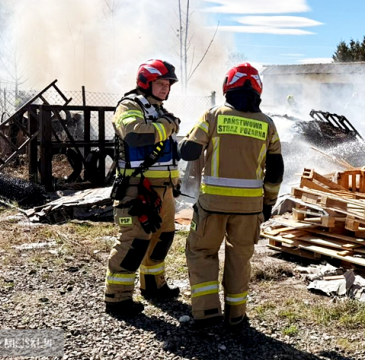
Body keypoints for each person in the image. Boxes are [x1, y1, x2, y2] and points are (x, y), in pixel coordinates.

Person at [178, 63, 284, 327]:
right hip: (250, 208)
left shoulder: (213, 115)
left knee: (202, 252)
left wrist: (184, 140)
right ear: (258, 90)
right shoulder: (268, 124)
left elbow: (189, 152)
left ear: (228, 87)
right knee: (239, 258)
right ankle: (236, 315)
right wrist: (268, 204)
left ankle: (206, 312)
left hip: (212, 205)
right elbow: (275, 171)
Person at [105, 59, 182, 316]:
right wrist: (169, 125)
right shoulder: (129, 105)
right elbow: (135, 134)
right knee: (134, 241)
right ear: (146, 82)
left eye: (168, 84)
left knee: (163, 237)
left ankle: (153, 284)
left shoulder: (159, 111)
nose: (165, 87)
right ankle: (117, 297)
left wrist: (175, 182)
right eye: (160, 83)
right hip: (137, 188)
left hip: (164, 189)